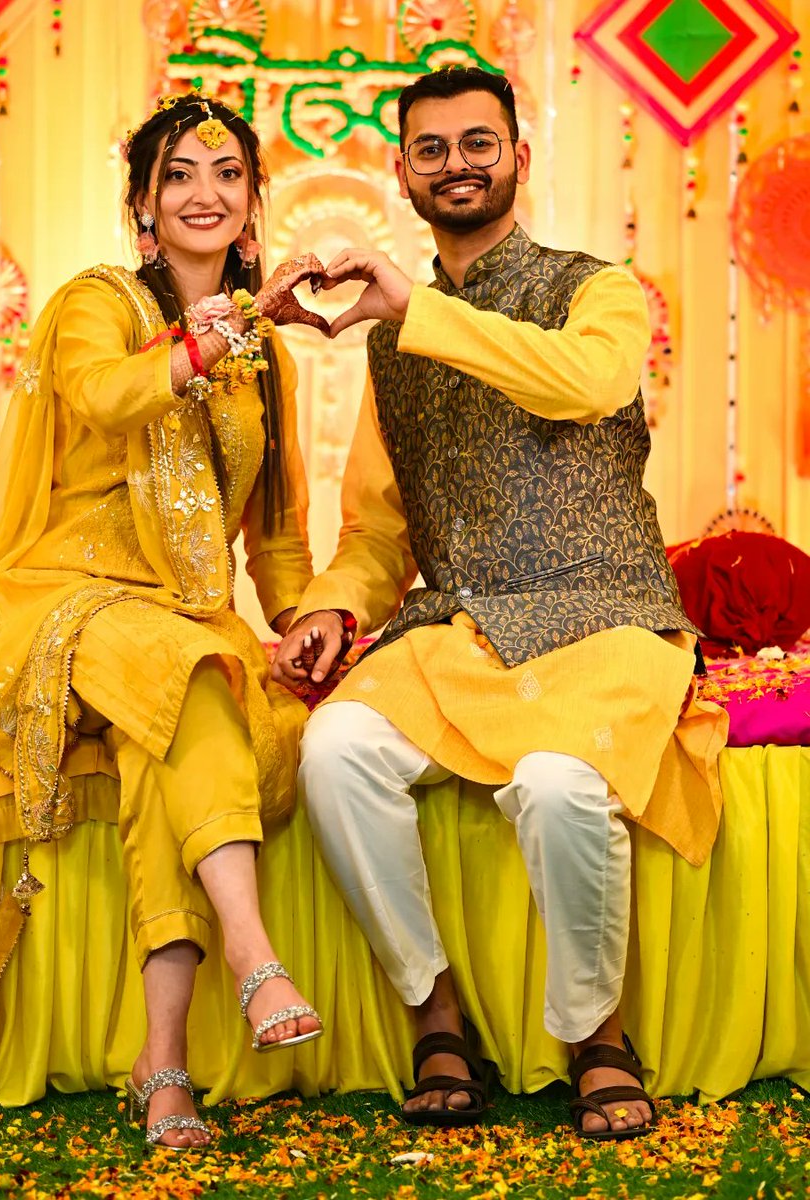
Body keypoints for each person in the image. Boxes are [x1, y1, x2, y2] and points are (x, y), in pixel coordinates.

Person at [272, 67, 728, 1139]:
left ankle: (594, 1034)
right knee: (334, 749)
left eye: (479, 142)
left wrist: (418, 313)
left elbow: (584, 382)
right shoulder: (394, 342)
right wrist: (332, 607)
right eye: (432, 149)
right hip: (466, 631)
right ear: (403, 173)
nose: (458, 164)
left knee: (564, 783)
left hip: (605, 617)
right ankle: (436, 1017)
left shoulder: (596, 289)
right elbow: (384, 527)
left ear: (520, 156)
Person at [0, 91, 331, 1151]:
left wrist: (303, 616)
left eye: (226, 174)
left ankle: (162, 1068)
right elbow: (104, 396)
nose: (204, 193)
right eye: (178, 174)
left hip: (183, 617)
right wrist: (205, 344)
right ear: (141, 207)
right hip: (63, 599)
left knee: (188, 712)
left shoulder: (268, 355)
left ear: (255, 203)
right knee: (187, 672)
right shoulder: (97, 304)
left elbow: (275, 528)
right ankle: (256, 955)